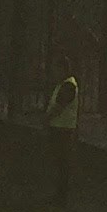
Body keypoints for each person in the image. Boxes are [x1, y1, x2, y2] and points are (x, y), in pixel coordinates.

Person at [43, 53, 80, 203]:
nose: (53, 72)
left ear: (62, 69)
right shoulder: (64, 84)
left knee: (62, 163)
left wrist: (46, 119)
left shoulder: (68, 86)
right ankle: (59, 193)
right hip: (60, 127)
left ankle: (61, 195)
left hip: (62, 129)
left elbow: (59, 107)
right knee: (60, 162)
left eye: (56, 69)